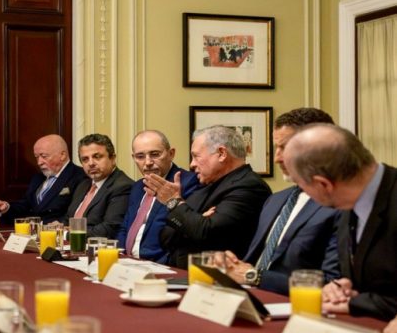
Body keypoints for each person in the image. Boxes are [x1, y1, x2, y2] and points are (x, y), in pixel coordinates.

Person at [284, 123, 397, 321]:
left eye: (299, 184)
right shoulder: (346, 201)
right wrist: (341, 288)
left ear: (323, 184)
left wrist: (356, 303)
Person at [224, 108, 341, 295]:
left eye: (285, 148)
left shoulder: (340, 205)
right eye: (276, 148)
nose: (277, 158)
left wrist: (253, 276)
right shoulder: (275, 200)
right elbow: (253, 261)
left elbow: (331, 285)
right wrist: (230, 265)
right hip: (246, 296)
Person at [148, 125, 272, 269]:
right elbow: (165, 236)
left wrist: (174, 202)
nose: (192, 164)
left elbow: (206, 232)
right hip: (185, 272)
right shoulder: (207, 185)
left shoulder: (249, 186)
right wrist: (196, 221)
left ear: (221, 154)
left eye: (196, 156)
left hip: (219, 277)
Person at [116, 130, 199, 262]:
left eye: (155, 154)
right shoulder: (137, 187)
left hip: (162, 265)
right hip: (128, 264)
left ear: (171, 154)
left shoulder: (188, 182)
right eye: (140, 156)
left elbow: (183, 231)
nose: (148, 162)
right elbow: (125, 227)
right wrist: (120, 257)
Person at [0, 134, 85, 224]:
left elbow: (76, 214)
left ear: (62, 155)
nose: (39, 162)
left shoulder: (80, 176)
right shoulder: (38, 178)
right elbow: (25, 205)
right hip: (30, 233)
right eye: (37, 157)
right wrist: (6, 207)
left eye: (44, 156)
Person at [63, 133, 133, 238]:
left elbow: (109, 229)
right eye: (85, 159)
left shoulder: (122, 186)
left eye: (97, 157)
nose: (91, 163)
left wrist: (66, 234)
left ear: (112, 159)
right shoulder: (83, 185)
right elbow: (68, 219)